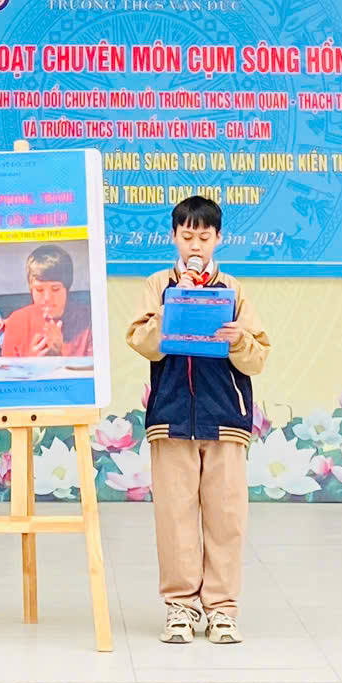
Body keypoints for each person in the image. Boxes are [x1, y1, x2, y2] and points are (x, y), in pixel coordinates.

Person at [127, 194, 268, 646]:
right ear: (173, 237)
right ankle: (180, 609)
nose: (195, 245)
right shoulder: (157, 284)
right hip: (171, 419)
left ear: (219, 239)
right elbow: (142, 342)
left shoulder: (233, 289)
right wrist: (170, 308)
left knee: (226, 519)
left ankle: (222, 610)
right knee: (175, 519)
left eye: (204, 237)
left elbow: (258, 357)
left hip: (225, 418)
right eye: (187, 236)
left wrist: (239, 338)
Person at [0, 243, 93, 356]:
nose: (47, 298)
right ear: (31, 289)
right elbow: (7, 367)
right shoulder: (16, 321)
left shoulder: (88, 320)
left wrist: (61, 354)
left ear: (67, 288)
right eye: (39, 290)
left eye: (55, 289)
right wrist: (30, 362)